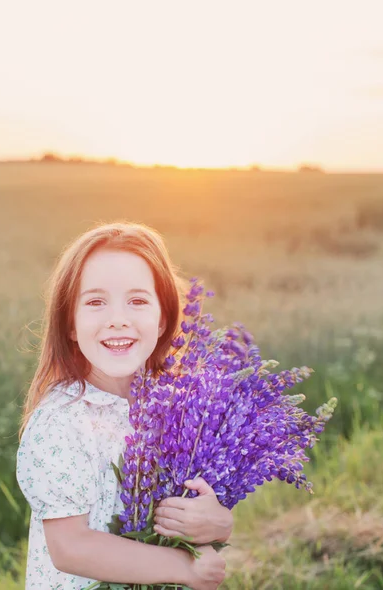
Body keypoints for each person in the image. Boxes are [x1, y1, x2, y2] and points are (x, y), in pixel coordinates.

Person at [16, 222, 231, 590]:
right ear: (70, 323)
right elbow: (71, 547)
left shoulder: (180, 408)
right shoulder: (62, 422)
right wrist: (185, 567)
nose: (117, 319)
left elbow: (197, 500)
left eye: (137, 301)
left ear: (162, 318)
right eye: (96, 302)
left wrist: (218, 523)